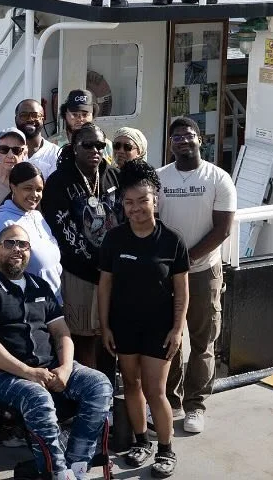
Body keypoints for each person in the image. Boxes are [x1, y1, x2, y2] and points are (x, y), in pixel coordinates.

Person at [0, 224, 113, 480]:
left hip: (46, 367)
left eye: (23, 245)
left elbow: (62, 333)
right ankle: (56, 472)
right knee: (36, 396)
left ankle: (76, 465)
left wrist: (64, 368)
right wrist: (27, 372)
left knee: (99, 384)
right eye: (10, 243)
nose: (17, 249)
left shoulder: (40, 286)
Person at [98, 160, 188, 478]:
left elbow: (182, 290)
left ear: (155, 200)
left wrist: (177, 330)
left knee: (155, 390)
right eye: (129, 202)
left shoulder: (172, 241)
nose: (135, 208)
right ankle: (140, 442)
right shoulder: (114, 240)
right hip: (123, 327)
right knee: (131, 385)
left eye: (142, 201)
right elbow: (105, 285)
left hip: (159, 329)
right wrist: (105, 325)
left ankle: (165, 449)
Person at [157, 116, 236, 434]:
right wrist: (169, 264)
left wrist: (187, 260)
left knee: (203, 341)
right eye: (176, 137)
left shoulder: (218, 178)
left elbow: (222, 229)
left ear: (200, 140)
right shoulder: (160, 178)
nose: (182, 141)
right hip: (167, 274)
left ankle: (196, 405)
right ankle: (170, 401)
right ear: (170, 144)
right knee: (169, 340)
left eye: (188, 135)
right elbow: (153, 223)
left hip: (204, 272)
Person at [41, 125, 121, 368]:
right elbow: (63, 231)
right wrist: (96, 263)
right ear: (74, 147)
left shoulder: (112, 175)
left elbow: (122, 218)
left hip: (113, 272)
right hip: (79, 273)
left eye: (100, 145)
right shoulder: (59, 181)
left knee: (109, 338)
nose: (95, 150)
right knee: (82, 340)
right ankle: (88, 399)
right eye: (88, 145)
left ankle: (106, 395)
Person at [0, 161, 62, 301]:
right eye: (28, 188)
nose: (35, 194)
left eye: (39, 189)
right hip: (25, 310)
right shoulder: (3, 223)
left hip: (52, 305)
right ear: (13, 187)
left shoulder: (37, 217)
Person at [16, 98, 61, 179]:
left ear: (42, 120)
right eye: (24, 115)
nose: (30, 119)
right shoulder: (4, 151)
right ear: (16, 119)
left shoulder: (55, 153)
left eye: (35, 115)